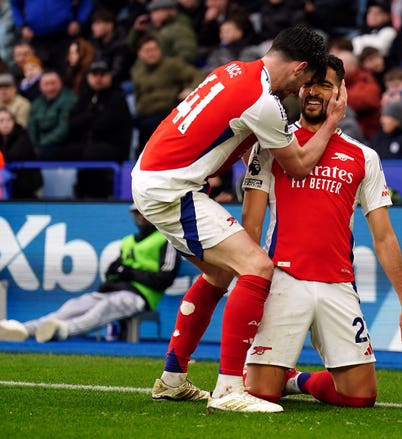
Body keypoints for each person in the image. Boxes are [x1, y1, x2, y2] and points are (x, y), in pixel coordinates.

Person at [132, 25, 347, 412]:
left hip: (155, 178)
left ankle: (172, 379)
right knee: (257, 267)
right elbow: (298, 166)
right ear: (299, 70)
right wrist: (332, 121)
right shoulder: (262, 101)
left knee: (219, 274)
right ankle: (230, 390)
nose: (304, 90)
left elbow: (223, 136)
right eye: (309, 80)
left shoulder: (232, 70)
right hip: (170, 189)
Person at [241, 54, 402, 407]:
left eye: (324, 85)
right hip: (282, 279)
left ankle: (296, 381)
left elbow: (384, 236)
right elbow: (252, 223)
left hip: (337, 283)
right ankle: (270, 374)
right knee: (260, 394)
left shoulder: (363, 156)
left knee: (360, 396)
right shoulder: (271, 144)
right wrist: (246, 283)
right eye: (308, 83)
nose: (313, 92)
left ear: (340, 92)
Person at [0, 203, 181, 342]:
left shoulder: (166, 239)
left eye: (144, 211)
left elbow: (165, 279)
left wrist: (129, 273)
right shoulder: (128, 241)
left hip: (141, 295)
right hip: (113, 289)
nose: (140, 216)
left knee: (103, 309)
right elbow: (111, 272)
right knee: (73, 306)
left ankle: (63, 330)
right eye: (136, 212)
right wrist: (124, 273)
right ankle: (24, 329)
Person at [130, 34, 206, 157]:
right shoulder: (136, 71)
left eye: (154, 49)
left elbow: (198, 75)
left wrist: (190, 90)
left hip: (167, 115)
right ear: (139, 53)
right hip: (144, 118)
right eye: (147, 51)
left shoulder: (172, 65)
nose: (152, 53)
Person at [68, 60, 133, 198]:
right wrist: (91, 116)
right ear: (88, 77)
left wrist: (86, 119)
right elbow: (72, 123)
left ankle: (98, 195)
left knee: (89, 154)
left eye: (102, 74)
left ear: (109, 76)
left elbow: (104, 125)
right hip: (87, 145)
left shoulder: (117, 97)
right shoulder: (85, 96)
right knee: (52, 153)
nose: (98, 78)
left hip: (113, 147)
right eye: (94, 74)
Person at [9, 0, 94, 72]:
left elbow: (86, 2)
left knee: (66, 70)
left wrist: (79, 21)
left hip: (64, 35)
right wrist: (22, 25)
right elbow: (15, 5)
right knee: (38, 72)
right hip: (36, 38)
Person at [127, 0, 198, 65]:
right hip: (146, 73)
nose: (153, 15)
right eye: (152, 12)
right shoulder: (150, 29)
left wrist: (165, 68)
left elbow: (186, 55)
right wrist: (136, 31)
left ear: (171, 11)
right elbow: (132, 47)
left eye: (157, 11)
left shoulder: (180, 29)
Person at [27, 69, 77, 160]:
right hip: (39, 146)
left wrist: (41, 144)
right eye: (46, 84)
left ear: (60, 83)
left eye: (53, 83)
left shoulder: (69, 100)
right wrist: (34, 144)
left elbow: (63, 129)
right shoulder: (37, 102)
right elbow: (32, 126)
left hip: (62, 146)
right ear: (40, 86)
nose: (50, 88)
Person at [334, 49, 382, 141]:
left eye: (339, 64)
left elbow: (369, 100)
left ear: (351, 65)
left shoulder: (365, 79)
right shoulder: (340, 82)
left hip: (366, 136)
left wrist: (338, 95)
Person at [0, 107, 42, 198]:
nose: (5, 124)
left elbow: (13, 156)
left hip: (25, 184)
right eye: (1, 121)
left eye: (9, 120)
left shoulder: (22, 135)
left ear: (14, 122)